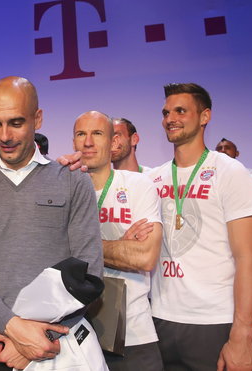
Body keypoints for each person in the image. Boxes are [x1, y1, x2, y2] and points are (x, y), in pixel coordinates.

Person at [0, 76, 104, 370]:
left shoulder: (72, 180)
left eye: (16, 122)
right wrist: (13, 328)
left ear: (38, 118)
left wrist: (36, 337)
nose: (4, 135)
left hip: (58, 343)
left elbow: (88, 272)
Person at [150, 83, 252, 370]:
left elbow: (249, 258)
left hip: (213, 321)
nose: (170, 118)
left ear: (204, 117)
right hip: (159, 319)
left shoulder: (229, 171)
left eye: (180, 111)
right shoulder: (156, 178)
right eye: (166, 112)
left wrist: (242, 333)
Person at [73, 111, 163, 370]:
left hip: (133, 335)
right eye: (81, 134)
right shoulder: (63, 189)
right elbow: (50, 253)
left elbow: (145, 257)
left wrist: (83, 247)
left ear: (112, 141)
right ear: (74, 142)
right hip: (74, 334)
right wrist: (120, 246)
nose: (88, 142)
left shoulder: (138, 185)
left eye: (97, 133)